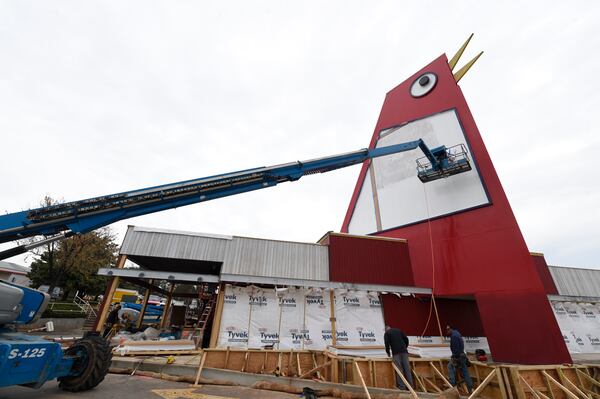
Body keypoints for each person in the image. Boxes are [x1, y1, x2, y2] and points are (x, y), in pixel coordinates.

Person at [384, 325, 413, 390]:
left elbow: (387, 344)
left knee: (399, 370)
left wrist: (388, 353)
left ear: (386, 330)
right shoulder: (398, 330)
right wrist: (405, 347)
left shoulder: (387, 333)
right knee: (407, 369)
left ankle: (402, 387)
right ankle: (410, 386)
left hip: (396, 353)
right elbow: (406, 339)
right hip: (404, 352)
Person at [446, 325, 473, 394]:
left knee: (450, 366)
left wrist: (454, 357)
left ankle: (452, 384)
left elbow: (456, 349)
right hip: (462, 356)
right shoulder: (457, 334)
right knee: (465, 372)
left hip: (458, 357)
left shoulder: (454, 336)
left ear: (451, 329)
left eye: (448, 329)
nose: (447, 331)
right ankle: (470, 388)